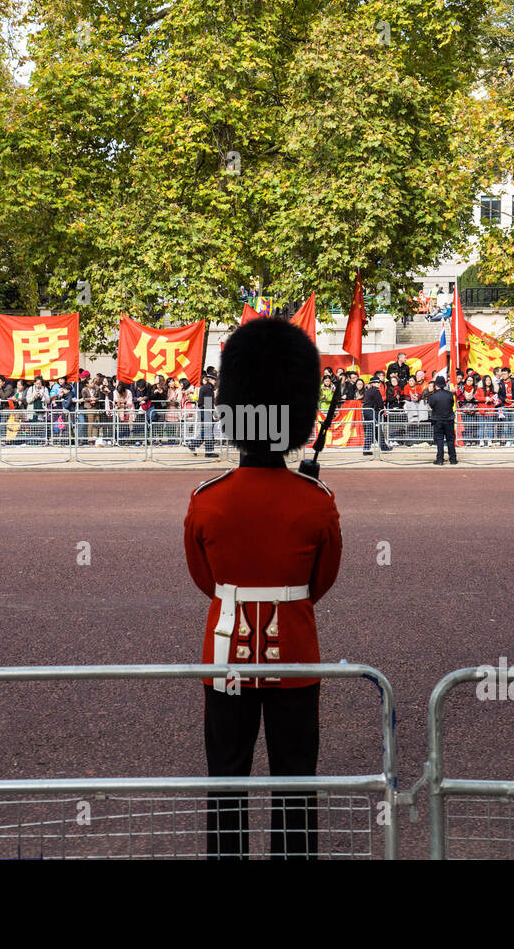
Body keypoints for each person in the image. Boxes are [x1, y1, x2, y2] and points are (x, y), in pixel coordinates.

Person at [184, 317, 342, 859]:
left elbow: (205, 580)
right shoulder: (315, 500)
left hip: (224, 652)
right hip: (295, 654)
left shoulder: (208, 498)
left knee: (225, 779)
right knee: (297, 780)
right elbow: (320, 582)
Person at [426, 375, 457, 465]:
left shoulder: (433, 396)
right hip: (449, 419)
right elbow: (451, 404)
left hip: (438, 420)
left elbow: (431, 406)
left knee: (439, 440)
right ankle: (453, 459)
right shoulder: (450, 394)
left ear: (436, 385)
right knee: (450, 440)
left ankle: (440, 459)